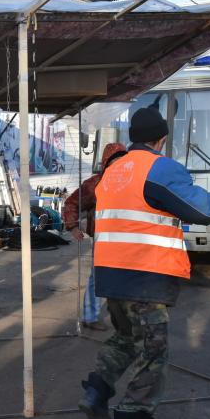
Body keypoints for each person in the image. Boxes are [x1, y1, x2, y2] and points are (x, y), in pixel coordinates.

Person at [77, 108, 210, 419]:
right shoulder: (159, 167)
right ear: (161, 138)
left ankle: (97, 391)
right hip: (145, 274)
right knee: (153, 351)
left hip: (110, 273)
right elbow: (202, 210)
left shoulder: (114, 170)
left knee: (127, 338)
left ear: (133, 136)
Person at [62, 142, 127, 331]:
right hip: (103, 239)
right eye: (117, 161)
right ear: (107, 163)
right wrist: (72, 226)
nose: (120, 166)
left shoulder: (132, 182)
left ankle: (123, 317)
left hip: (126, 238)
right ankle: (90, 317)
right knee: (98, 278)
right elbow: (71, 203)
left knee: (123, 278)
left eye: (124, 161)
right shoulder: (94, 184)